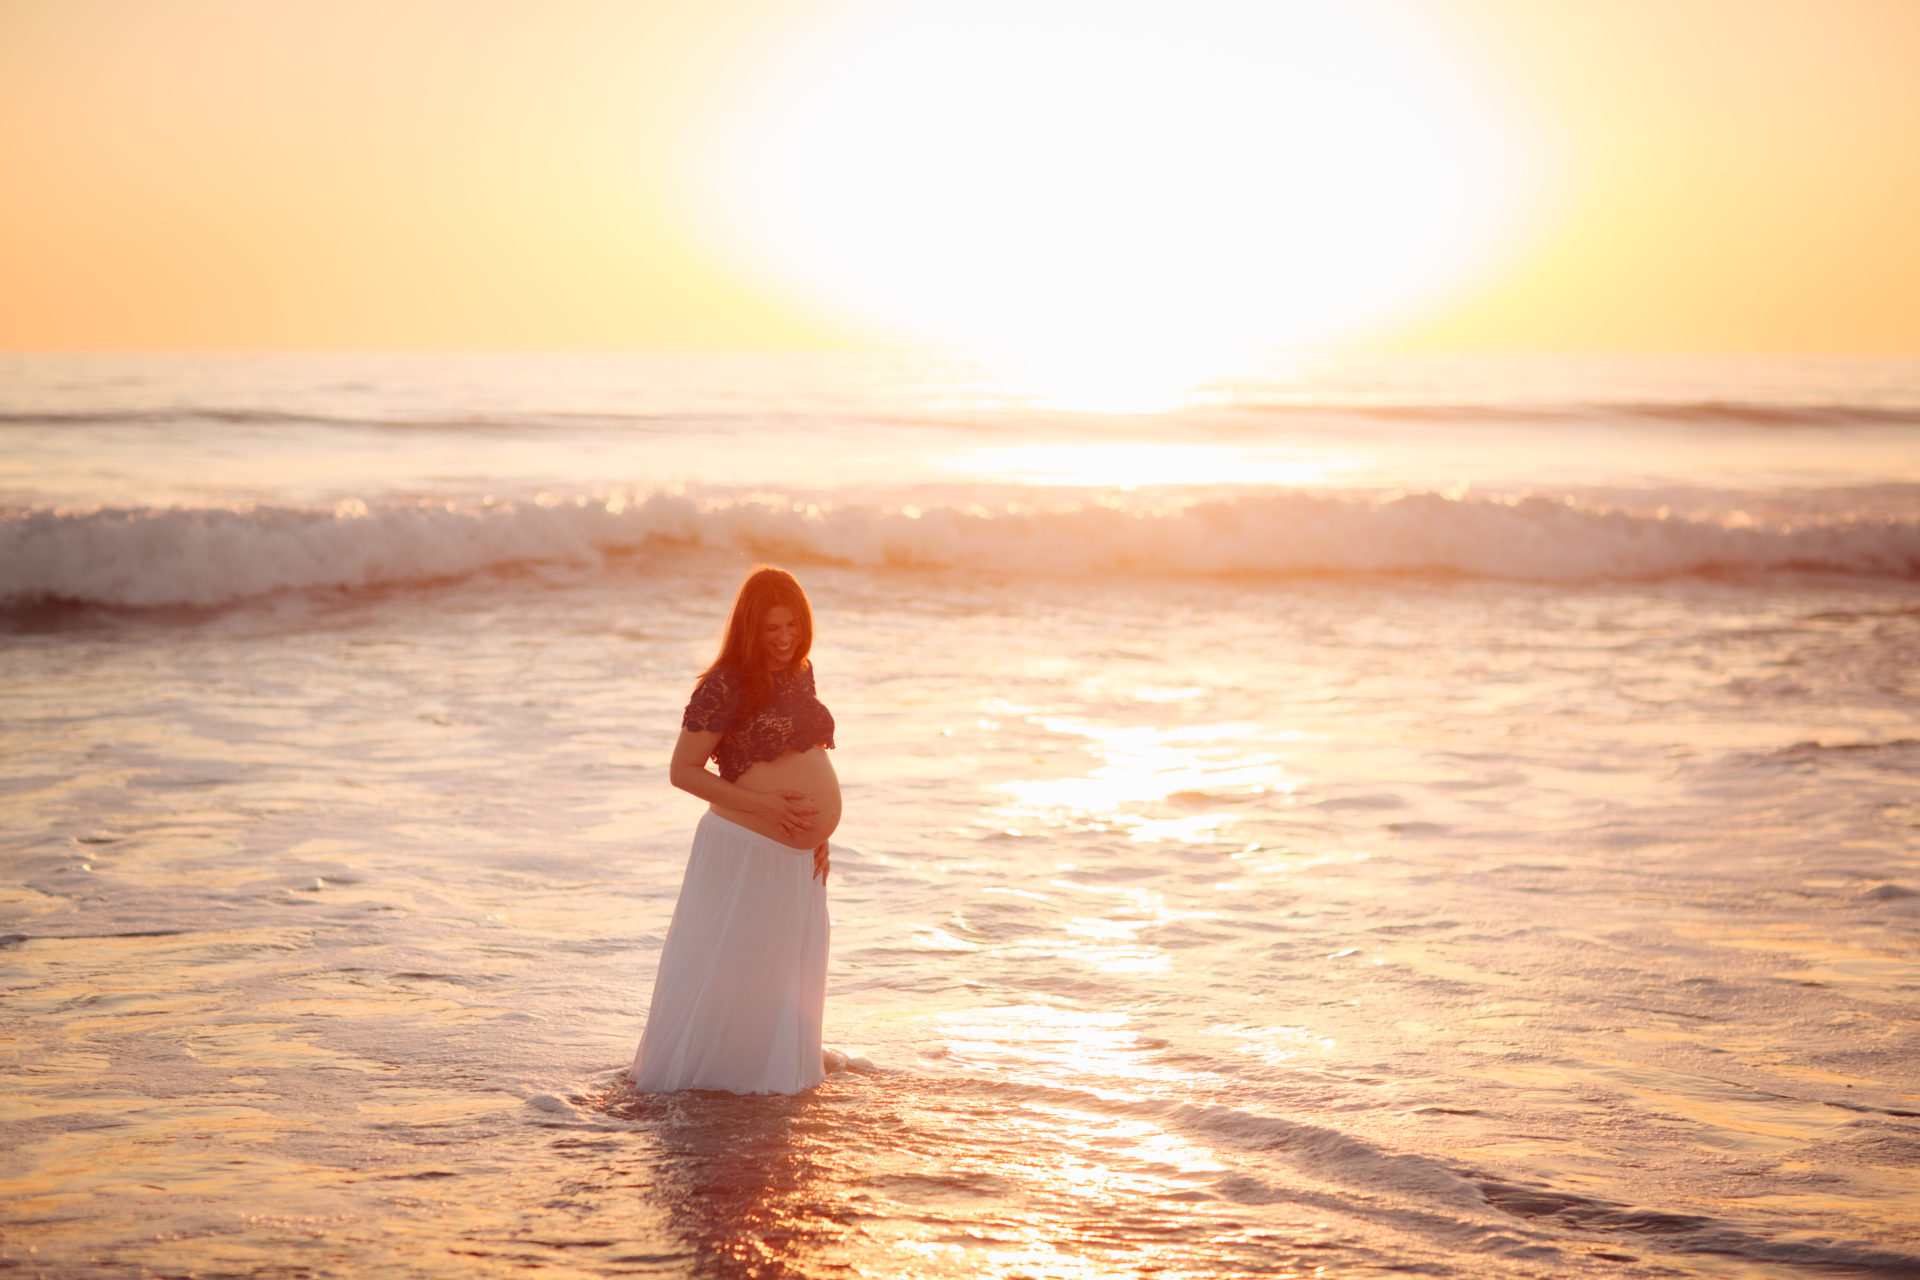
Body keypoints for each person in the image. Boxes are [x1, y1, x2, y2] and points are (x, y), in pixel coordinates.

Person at [629, 566, 838, 1094]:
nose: (785, 638)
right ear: (750, 628)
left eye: (793, 625)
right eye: (772, 628)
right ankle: (720, 1085)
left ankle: (775, 1084)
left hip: (795, 855)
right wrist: (765, 808)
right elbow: (683, 772)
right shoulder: (724, 685)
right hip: (744, 849)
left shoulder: (799, 672)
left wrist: (821, 834)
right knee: (737, 976)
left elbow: (802, 755)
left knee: (781, 981)